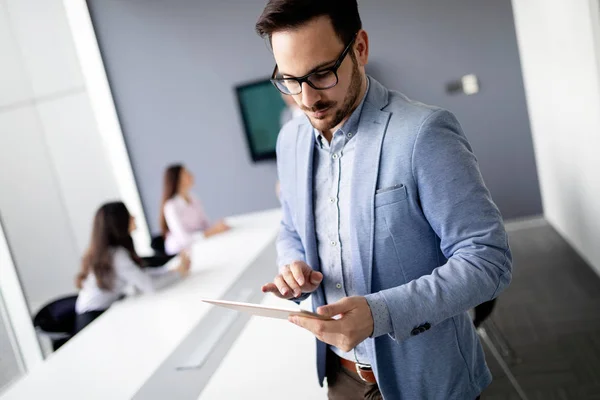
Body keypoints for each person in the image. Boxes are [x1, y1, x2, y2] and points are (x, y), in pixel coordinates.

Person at [256, 1, 512, 399]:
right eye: (289, 80)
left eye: (321, 73)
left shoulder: (423, 133)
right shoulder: (290, 141)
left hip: (427, 382)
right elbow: (291, 228)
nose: (306, 98)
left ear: (359, 48)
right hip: (340, 379)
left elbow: (487, 260)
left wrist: (381, 314)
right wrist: (292, 266)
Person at [74, 202, 191, 333]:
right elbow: (150, 285)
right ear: (119, 223)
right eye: (128, 215)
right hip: (92, 320)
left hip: (95, 313)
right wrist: (178, 273)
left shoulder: (112, 252)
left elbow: (141, 274)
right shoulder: (116, 256)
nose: (133, 217)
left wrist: (171, 271)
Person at [160, 164, 229, 255]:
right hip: (179, 252)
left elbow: (205, 224)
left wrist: (217, 227)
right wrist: (211, 232)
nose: (191, 175)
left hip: (198, 244)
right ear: (177, 180)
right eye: (186, 174)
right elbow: (184, 239)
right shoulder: (171, 207)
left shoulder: (194, 198)